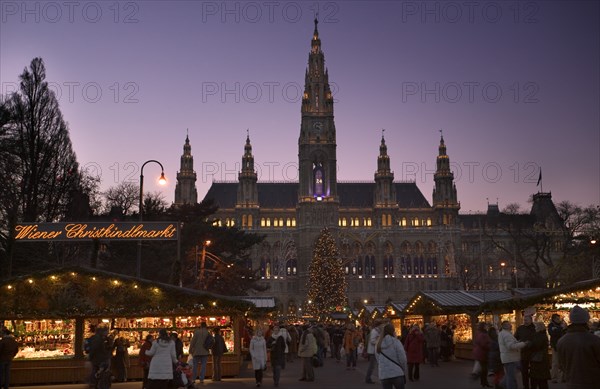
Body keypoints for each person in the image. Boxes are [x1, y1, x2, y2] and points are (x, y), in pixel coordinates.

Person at [557, 305, 600, 389]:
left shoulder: (562, 341)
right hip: (592, 382)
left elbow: (561, 364)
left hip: (571, 382)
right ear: (586, 320)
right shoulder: (593, 339)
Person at [375, 323, 408, 389]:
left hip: (384, 374)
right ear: (393, 331)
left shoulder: (378, 344)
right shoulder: (396, 342)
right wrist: (403, 368)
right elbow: (402, 357)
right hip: (397, 372)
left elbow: (378, 358)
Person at [498, 321, 528, 389]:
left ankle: (501, 384)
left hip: (508, 358)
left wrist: (517, 342)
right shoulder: (506, 334)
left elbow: (509, 344)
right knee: (511, 377)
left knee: (509, 375)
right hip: (510, 358)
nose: (511, 326)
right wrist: (524, 344)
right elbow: (511, 346)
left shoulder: (504, 333)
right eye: (509, 325)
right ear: (505, 326)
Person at [515, 314, 536, 389]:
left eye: (526, 320)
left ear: (531, 320)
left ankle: (533, 386)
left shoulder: (535, 328)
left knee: (534, 371)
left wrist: (530, 343)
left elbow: (537, 339)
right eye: (524, 320)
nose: (525, 321)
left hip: (533, 352)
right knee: (524, 371)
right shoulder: (520, 328)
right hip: (524, 352)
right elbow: (516, 338)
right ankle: (525, 386)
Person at [529, 322, 550, 389]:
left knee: (536, 379)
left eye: (535, 327)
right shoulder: (543, 335)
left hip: (538, 359)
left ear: (538, 328)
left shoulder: (538, 336)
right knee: (543, 381)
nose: (534, 328)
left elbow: (535, 345)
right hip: (542, 359)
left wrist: (529, 344)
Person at [547, 313, 566, 383]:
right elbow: (552, 333)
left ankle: (562, 377)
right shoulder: (551, 325)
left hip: (563, 346)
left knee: (563, 362)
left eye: (559, 318)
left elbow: (565, 332)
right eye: (558, 319)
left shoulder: (562, 324)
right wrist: (561, 329)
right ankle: (554, 377)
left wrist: (560, 329)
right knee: (555, 362)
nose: (559, 320)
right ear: (554, 319)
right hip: (555, 346)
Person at [473, 322, 492, 388]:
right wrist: (490, 345)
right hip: (482, 353)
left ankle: (483, 382)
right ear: (483, 326)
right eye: (486, 325)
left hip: (480, 352)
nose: (487, 327)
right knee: (484, 369)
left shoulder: (479, 333)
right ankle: (484, 382)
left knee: (484, 369)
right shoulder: (482, 334)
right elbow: (483, 344)